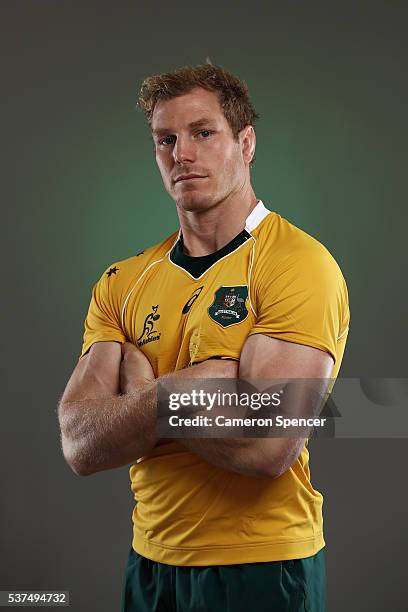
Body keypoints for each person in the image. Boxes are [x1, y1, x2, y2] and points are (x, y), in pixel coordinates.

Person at [58, 63, 349, 611]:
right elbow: (79, 443)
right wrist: (191, 391)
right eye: (165, 140)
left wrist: (147, 397)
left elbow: (268, 444)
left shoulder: (297, 264)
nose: (181, 154)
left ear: (246, 142)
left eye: (202, 133)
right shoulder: (123, 281)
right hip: (150, 562)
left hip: (262, 563)